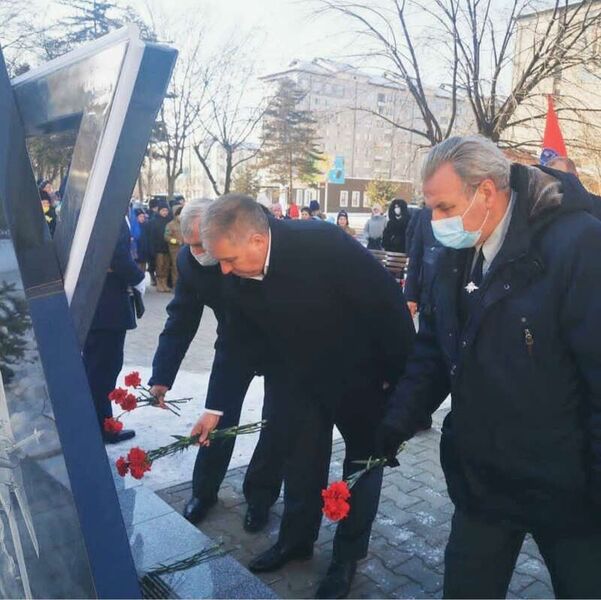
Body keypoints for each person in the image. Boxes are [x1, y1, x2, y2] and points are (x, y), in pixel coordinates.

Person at [377, 135, 601, 598]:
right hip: (484, 480)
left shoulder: (577, 245)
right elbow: (435, 348)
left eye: (443, 207)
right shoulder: (457, 251)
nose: (435, 222)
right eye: (430, 209)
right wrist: (397, 421)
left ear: (486, 192)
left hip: (566, 487)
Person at [199, 195, 415, 598]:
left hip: (360, 378)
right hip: (295, 381)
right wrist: (216, 407)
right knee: (301, 464)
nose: (224, 270)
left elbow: (388, 307)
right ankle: (295, 541)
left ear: (257, 240)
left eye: (229, 259)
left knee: (364, 465)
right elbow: (233, 341)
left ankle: (346, 557)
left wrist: (399, 383)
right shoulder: (235, 273)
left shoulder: (324, 244)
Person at [149, 199, 283, 530]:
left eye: (202, 245)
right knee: (216, 419)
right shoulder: (189, 261)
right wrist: (162, 375)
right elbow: (181, 319)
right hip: (232, 347)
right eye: (191, 245)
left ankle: (260, 497)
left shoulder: (253, 245)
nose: (198, 253)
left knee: (275, 423)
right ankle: (204, 492)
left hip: (280, 344)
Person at [83, 219, 145, 443]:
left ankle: (94, 424)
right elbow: (117, 254)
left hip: (94, 302)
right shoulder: (110, 210)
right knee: (104, 369)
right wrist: (139, 277)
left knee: (95, 367)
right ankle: (103, 427)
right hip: (106, 305)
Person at [403, 207, 442, 319]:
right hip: (428, 298)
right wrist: (410, 295)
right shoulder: (425, 214)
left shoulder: (464, 210)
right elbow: (415, 256)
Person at [547, 155, 601, 220]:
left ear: (575, 176)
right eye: (550, 178)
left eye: (559, 176)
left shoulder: (598, 205)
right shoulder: (545, 211)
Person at [150, 202, 172, 292]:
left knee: (166, 266)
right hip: (158, 248)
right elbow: (152, 236)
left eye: (166, 210)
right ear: (159, 211)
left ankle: (164, 283)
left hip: (167, 247)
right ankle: (159, 284)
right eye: (163, 210)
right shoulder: (154, 221)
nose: (165, 212)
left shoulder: (169, 220)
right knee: (159, 266)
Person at [165, 205, 184, 288]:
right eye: (180, 215)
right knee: (176, 267)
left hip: (185, 248)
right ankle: (176, 285)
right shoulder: (170, 225)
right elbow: (167, 237)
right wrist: (176, 241)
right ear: (176, 215)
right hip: (175, 250)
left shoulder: (185, 224)